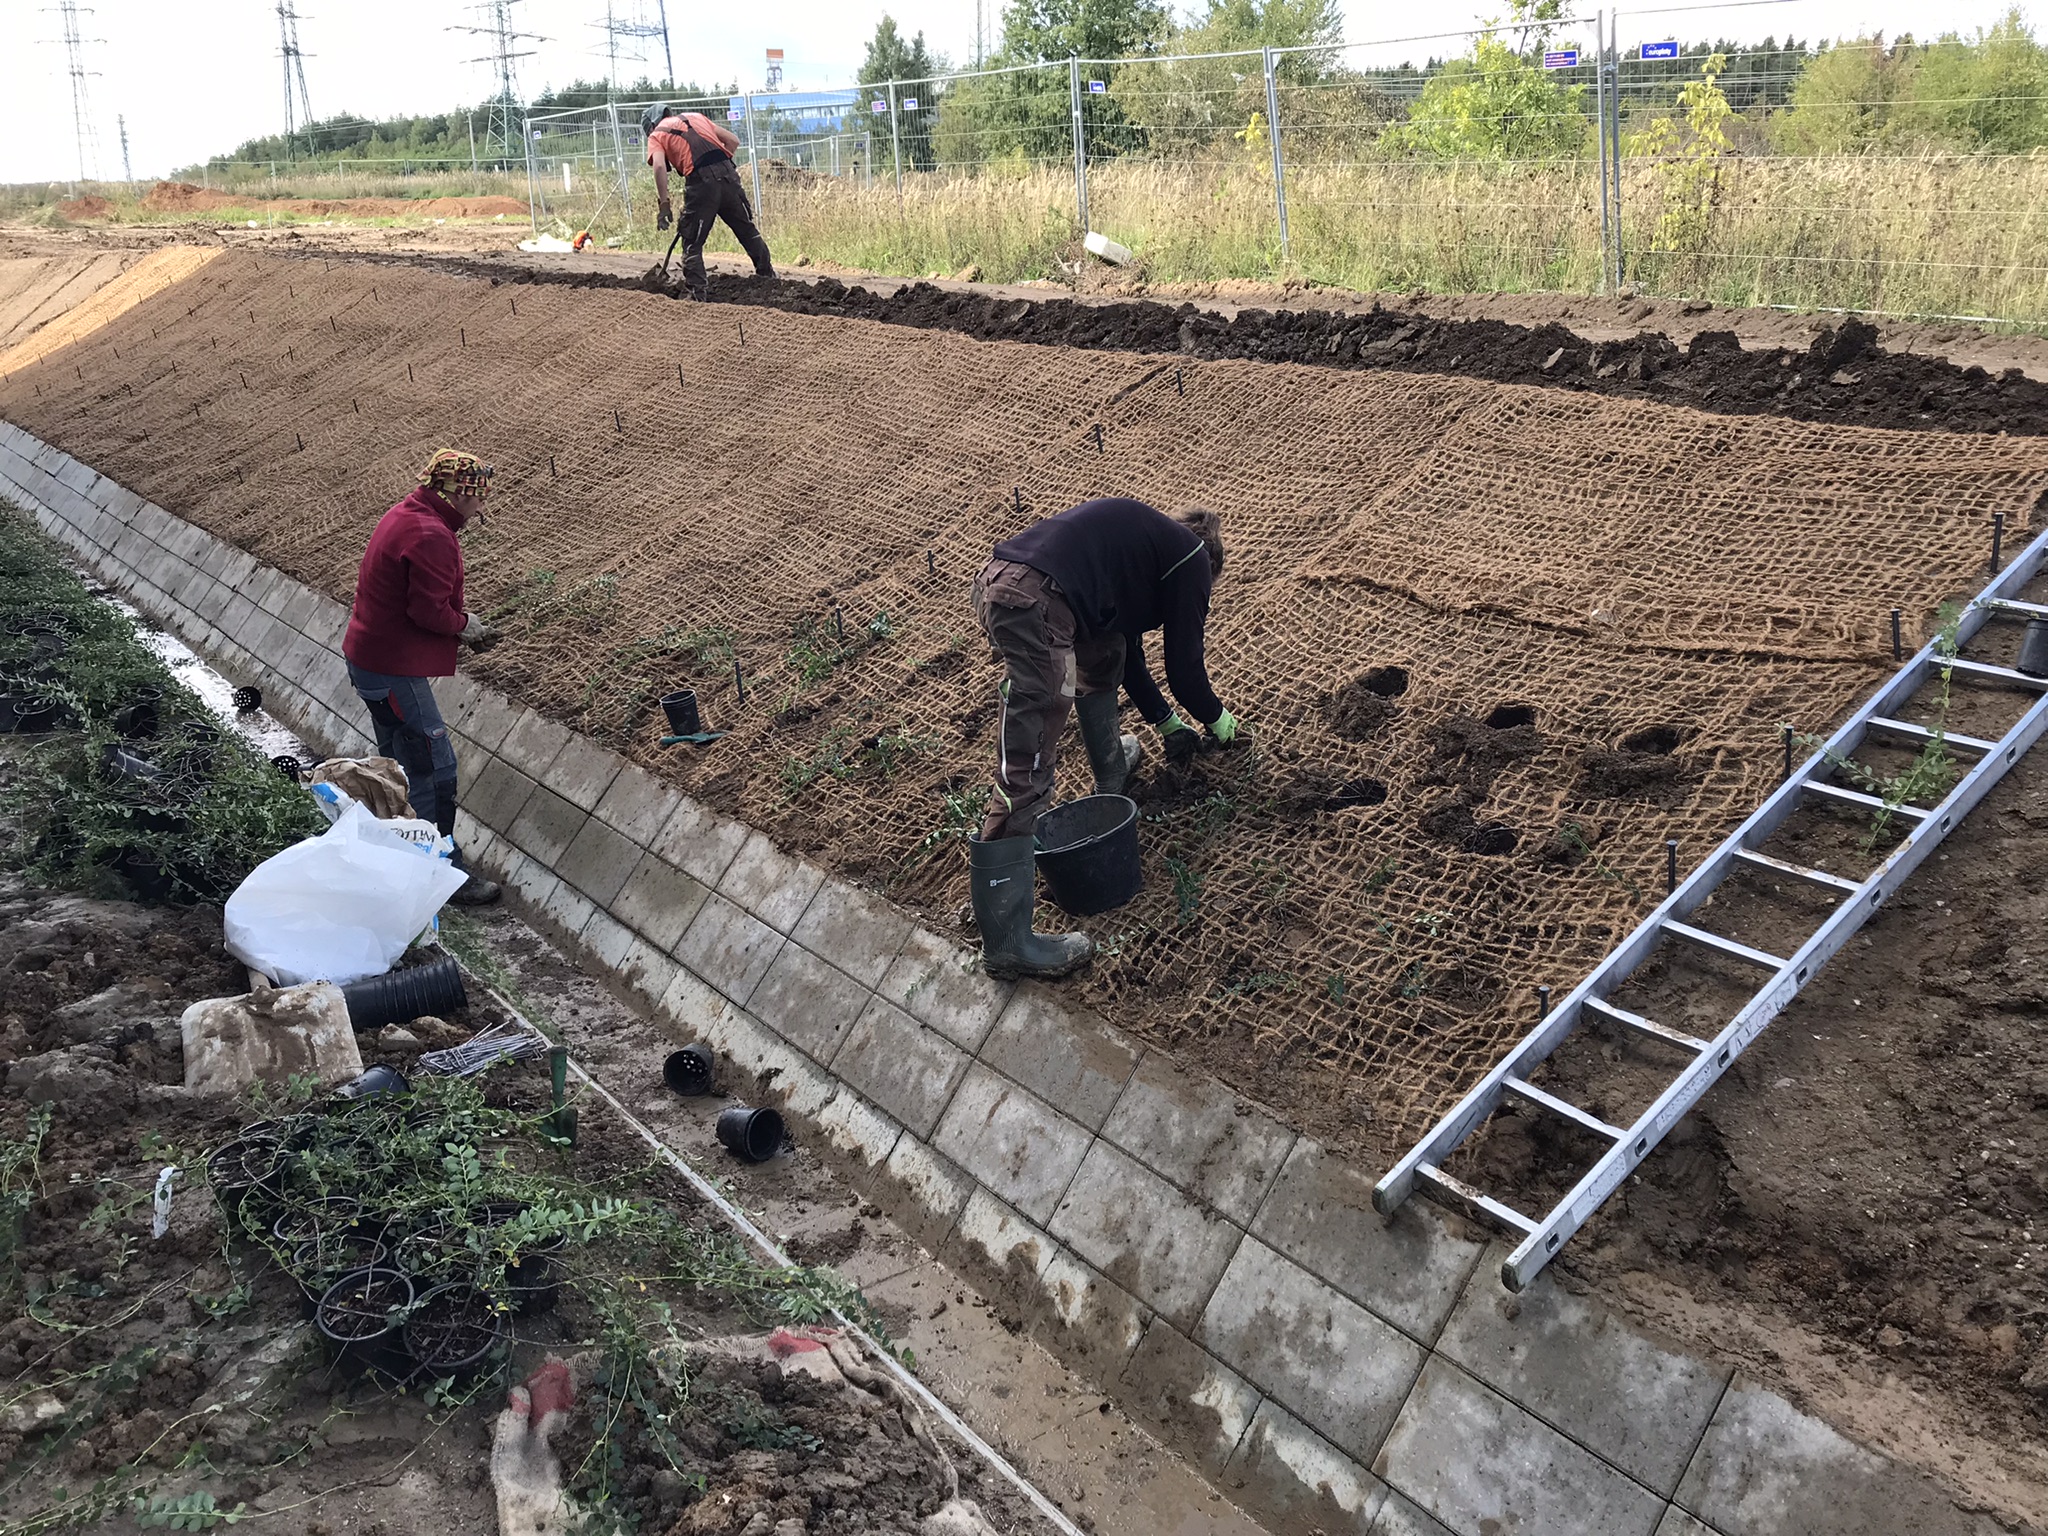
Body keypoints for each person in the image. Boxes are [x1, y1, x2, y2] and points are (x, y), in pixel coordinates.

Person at [969, 496, 1244, 979]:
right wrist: (1220, 721)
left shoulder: (1141, 552)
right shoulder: (1192, 559)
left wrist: (1168, 724)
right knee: (1027, 769)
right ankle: (1008, 944)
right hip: (1035, 606)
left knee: (1100, 653)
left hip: (1014, 584)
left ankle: (1112, 774)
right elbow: (1184, 670)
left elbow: (1127, 653)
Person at [341, 448, 501, 906]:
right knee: (433, 768)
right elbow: (428, 610)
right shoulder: (431, 535)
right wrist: (466, 626)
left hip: (370, 659)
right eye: (479, 497)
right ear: (458, 494)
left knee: (399, 765)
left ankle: (404, 855)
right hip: (393, 668)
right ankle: (440, 870)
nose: (481, 508)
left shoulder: (406, 514)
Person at [642, 103, 775, 302]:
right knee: (747, 230)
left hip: (701, 183)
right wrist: (720, 169)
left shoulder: (657, 135)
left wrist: (665, 204)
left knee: (692, 243)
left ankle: (696, 294)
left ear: (651, 126)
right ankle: (768, 279)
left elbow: (659, 166)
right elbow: (733, 141)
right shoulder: (696, 117)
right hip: (729, 177)